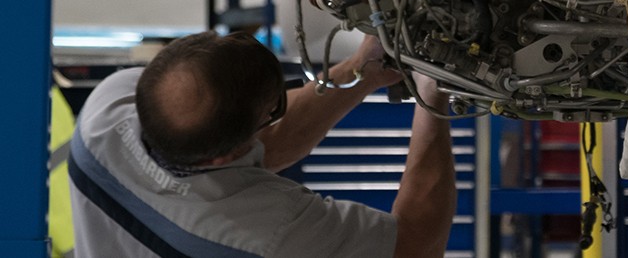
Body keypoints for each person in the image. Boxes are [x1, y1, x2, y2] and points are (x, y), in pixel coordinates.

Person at [68, 30, 456, 258]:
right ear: (224, 155)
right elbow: (414, 245)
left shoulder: (107, 108)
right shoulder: (264, 234)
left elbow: (274, 139)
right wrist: (431, 99)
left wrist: (363, 70)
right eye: (273, 109)